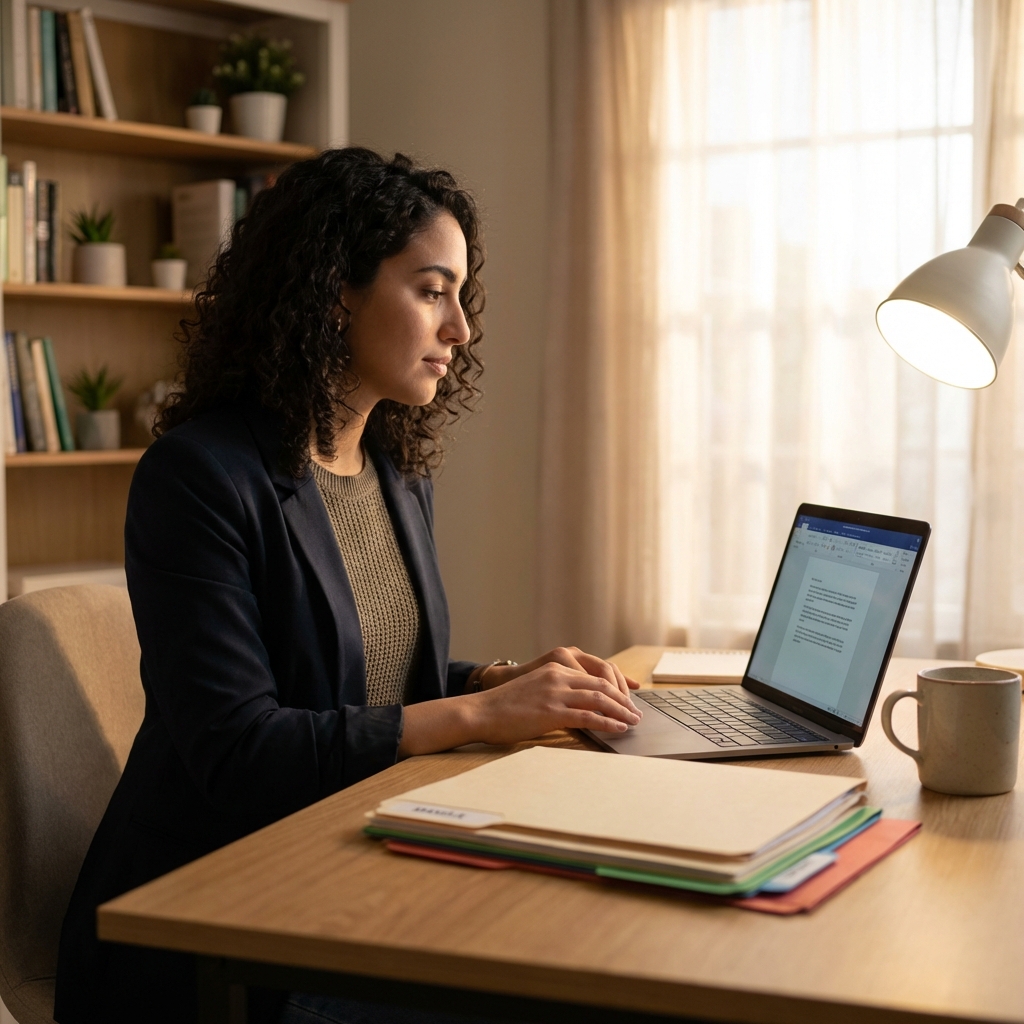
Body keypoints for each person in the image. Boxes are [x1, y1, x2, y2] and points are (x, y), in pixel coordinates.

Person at [54, 148, 642, 1024]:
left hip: (349, 863)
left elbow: (361, 688)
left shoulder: (394, 474)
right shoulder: (198, 477)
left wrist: (495, 682)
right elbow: (241, 750)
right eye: (431, 290)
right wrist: (479, 718)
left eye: (459, 296)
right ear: (337, 291)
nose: (461, 330)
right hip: (211, 923)